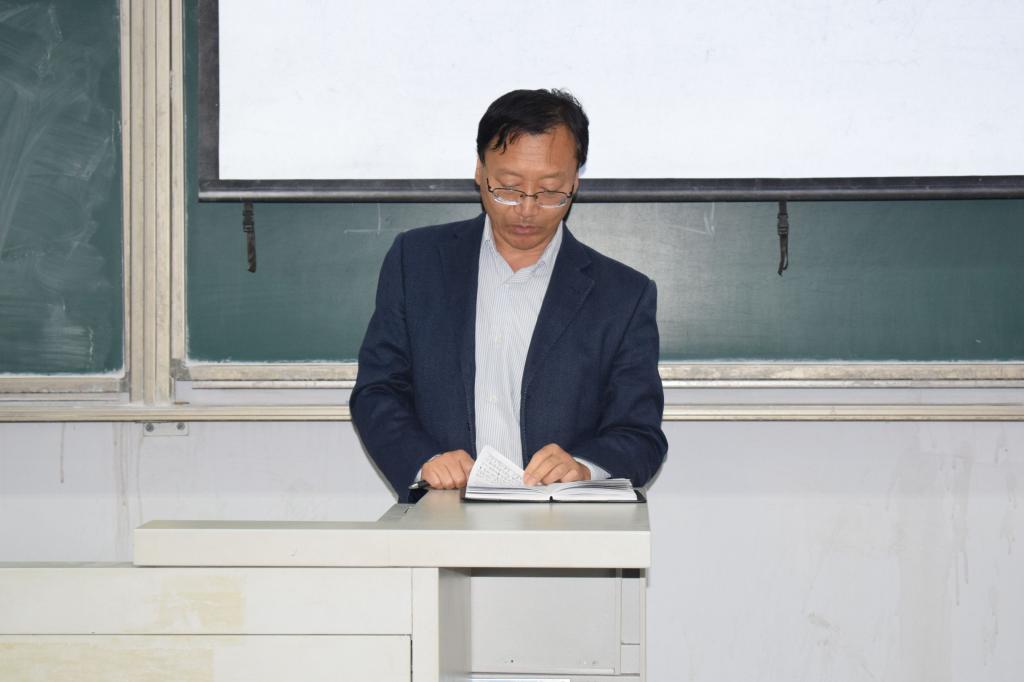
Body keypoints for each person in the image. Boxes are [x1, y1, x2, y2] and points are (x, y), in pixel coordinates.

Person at [350, 89, 666, 502]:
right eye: (509, 188)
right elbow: (378, 390)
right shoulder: (417, 261)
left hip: (567, 523)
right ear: (480, 171)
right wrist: (423, 460)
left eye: (550, 191)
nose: (527, 209)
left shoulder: (623, 295)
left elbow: (640, 434)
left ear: (575, 180)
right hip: (444, 512)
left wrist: (584, 468)